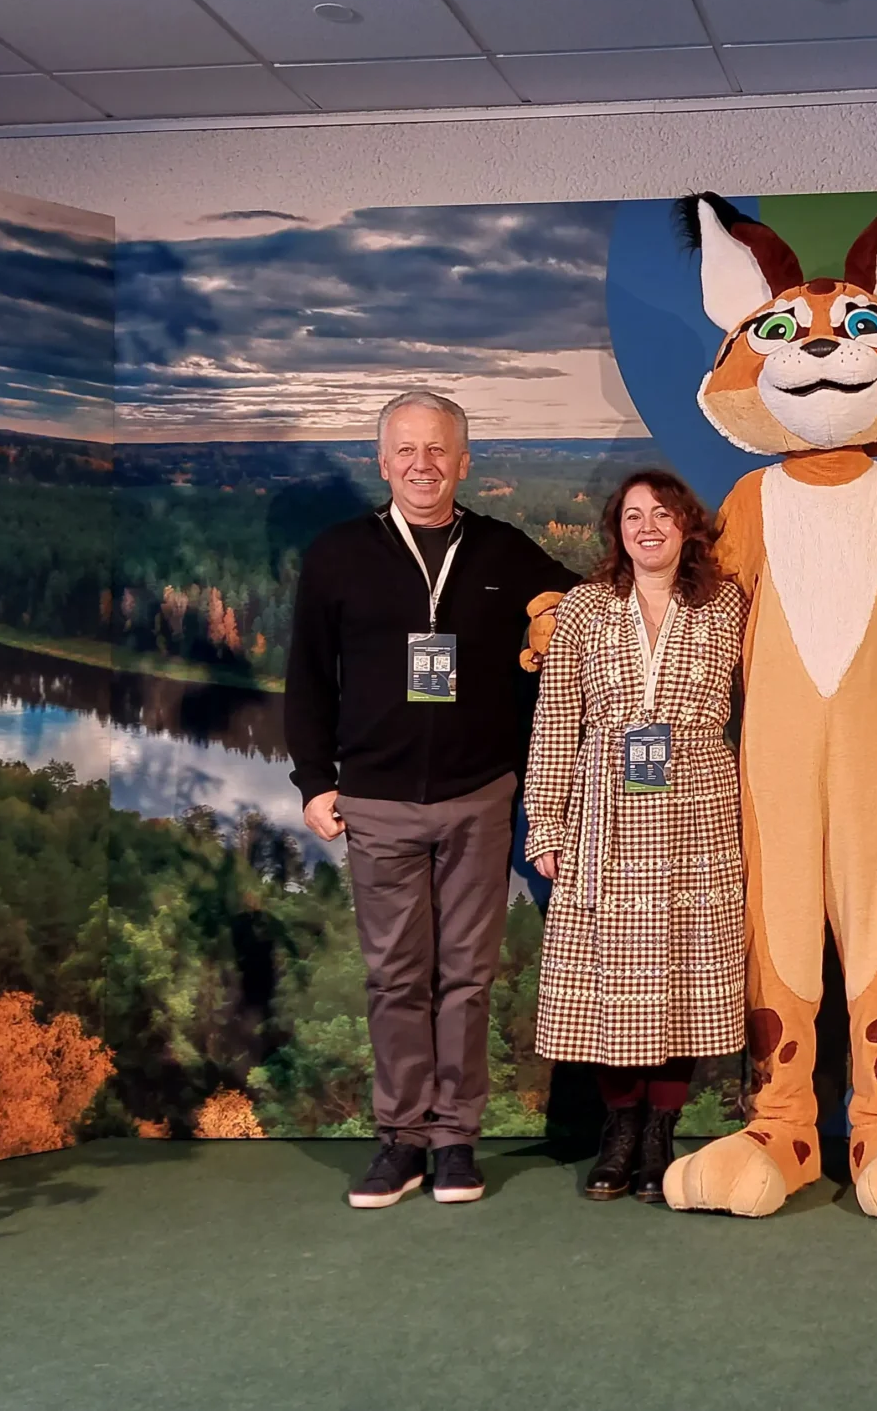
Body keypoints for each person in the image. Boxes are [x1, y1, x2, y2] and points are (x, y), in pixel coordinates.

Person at [286, 389, 579, 1209]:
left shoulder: (503, 549)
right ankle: (400, 1140)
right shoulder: (339, 554)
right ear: (382, 463)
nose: (423, 465)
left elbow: (585, 612)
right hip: (375, 800)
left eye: (439, 449)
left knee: (467, 979)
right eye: (407, 451)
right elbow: (307, 676)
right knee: (394, 979)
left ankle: (455, 1141)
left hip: (479, 797)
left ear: (464, 462)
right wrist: (314, 779)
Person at [521, 470, 747, 1204]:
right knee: (612, 983)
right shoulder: (586, 607)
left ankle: (661, 1134)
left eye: (662, 514)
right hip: (604, 812)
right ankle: (620, 1130)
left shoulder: (726, 603)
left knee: (681, 974)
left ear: (688, 526)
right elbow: (557, 720)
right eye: (633, 516)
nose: (648, 527)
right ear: (617, 531)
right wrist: (546, 824)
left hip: (699, 806)